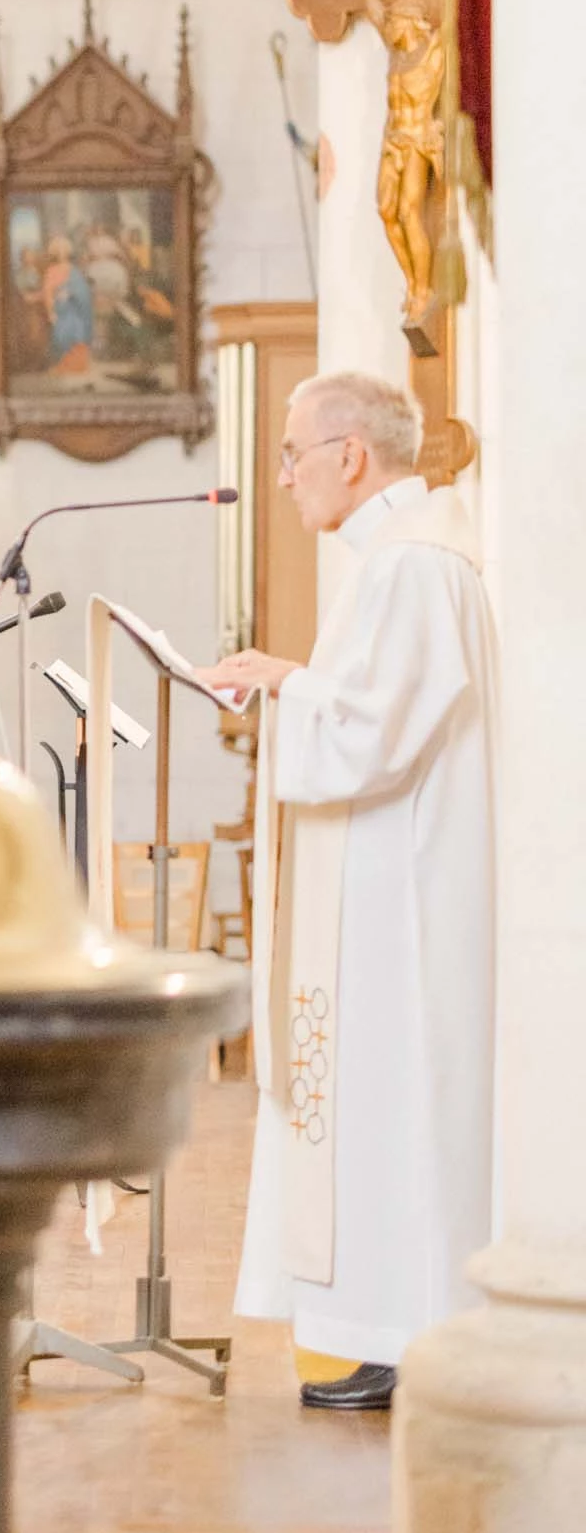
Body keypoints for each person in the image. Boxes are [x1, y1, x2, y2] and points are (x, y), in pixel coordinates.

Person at [208, 371, 497, 1413]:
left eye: (292, 454)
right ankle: (376, 1328)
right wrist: (294, 679)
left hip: (401, 906)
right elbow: (375, 706)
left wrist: (287, 686)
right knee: (376, 1107)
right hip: (384, 885)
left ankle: (399, 1333)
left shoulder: (414, 565)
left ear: (349, 455)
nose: (283, 477)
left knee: (395, 1105)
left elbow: (374, 735)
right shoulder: (399, 560)